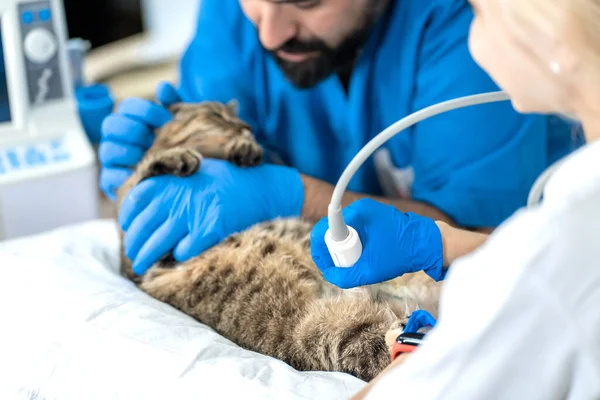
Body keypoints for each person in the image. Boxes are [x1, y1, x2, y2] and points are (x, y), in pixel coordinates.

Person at [100, 0, 577, 275]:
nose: (269, 34)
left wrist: (288, 197)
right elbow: (210, 142)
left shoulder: (474, 30)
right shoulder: (235, 16)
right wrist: (162, 155)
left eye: (306, 1)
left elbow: (476, 242)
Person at [311, 0, 600, 397]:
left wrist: (417, 360)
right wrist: (449, 244)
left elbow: (555, 275)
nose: (471, 34)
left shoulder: (543, 266)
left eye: (479, 13)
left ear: (555, 40)